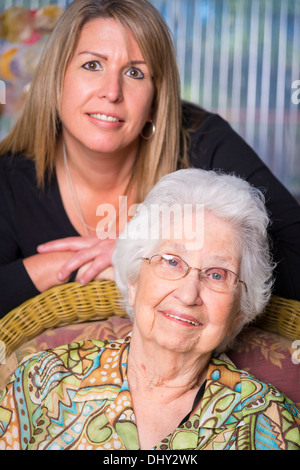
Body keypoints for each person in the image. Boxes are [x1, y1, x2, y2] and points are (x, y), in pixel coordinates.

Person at [0, 0, 299, 317]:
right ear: (55, 77)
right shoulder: (10, 174)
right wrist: (54, 266)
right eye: (92, 65)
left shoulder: (201, 140)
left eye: (134, 72)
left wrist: (147, 254)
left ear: (157, 95)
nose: (112, 92)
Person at [0, 168, 299, 451]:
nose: (187, 294)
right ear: (133, 281)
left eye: (217, 274)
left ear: (240, 311)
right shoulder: (41, 383)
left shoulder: (269, 424)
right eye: (172, 261)